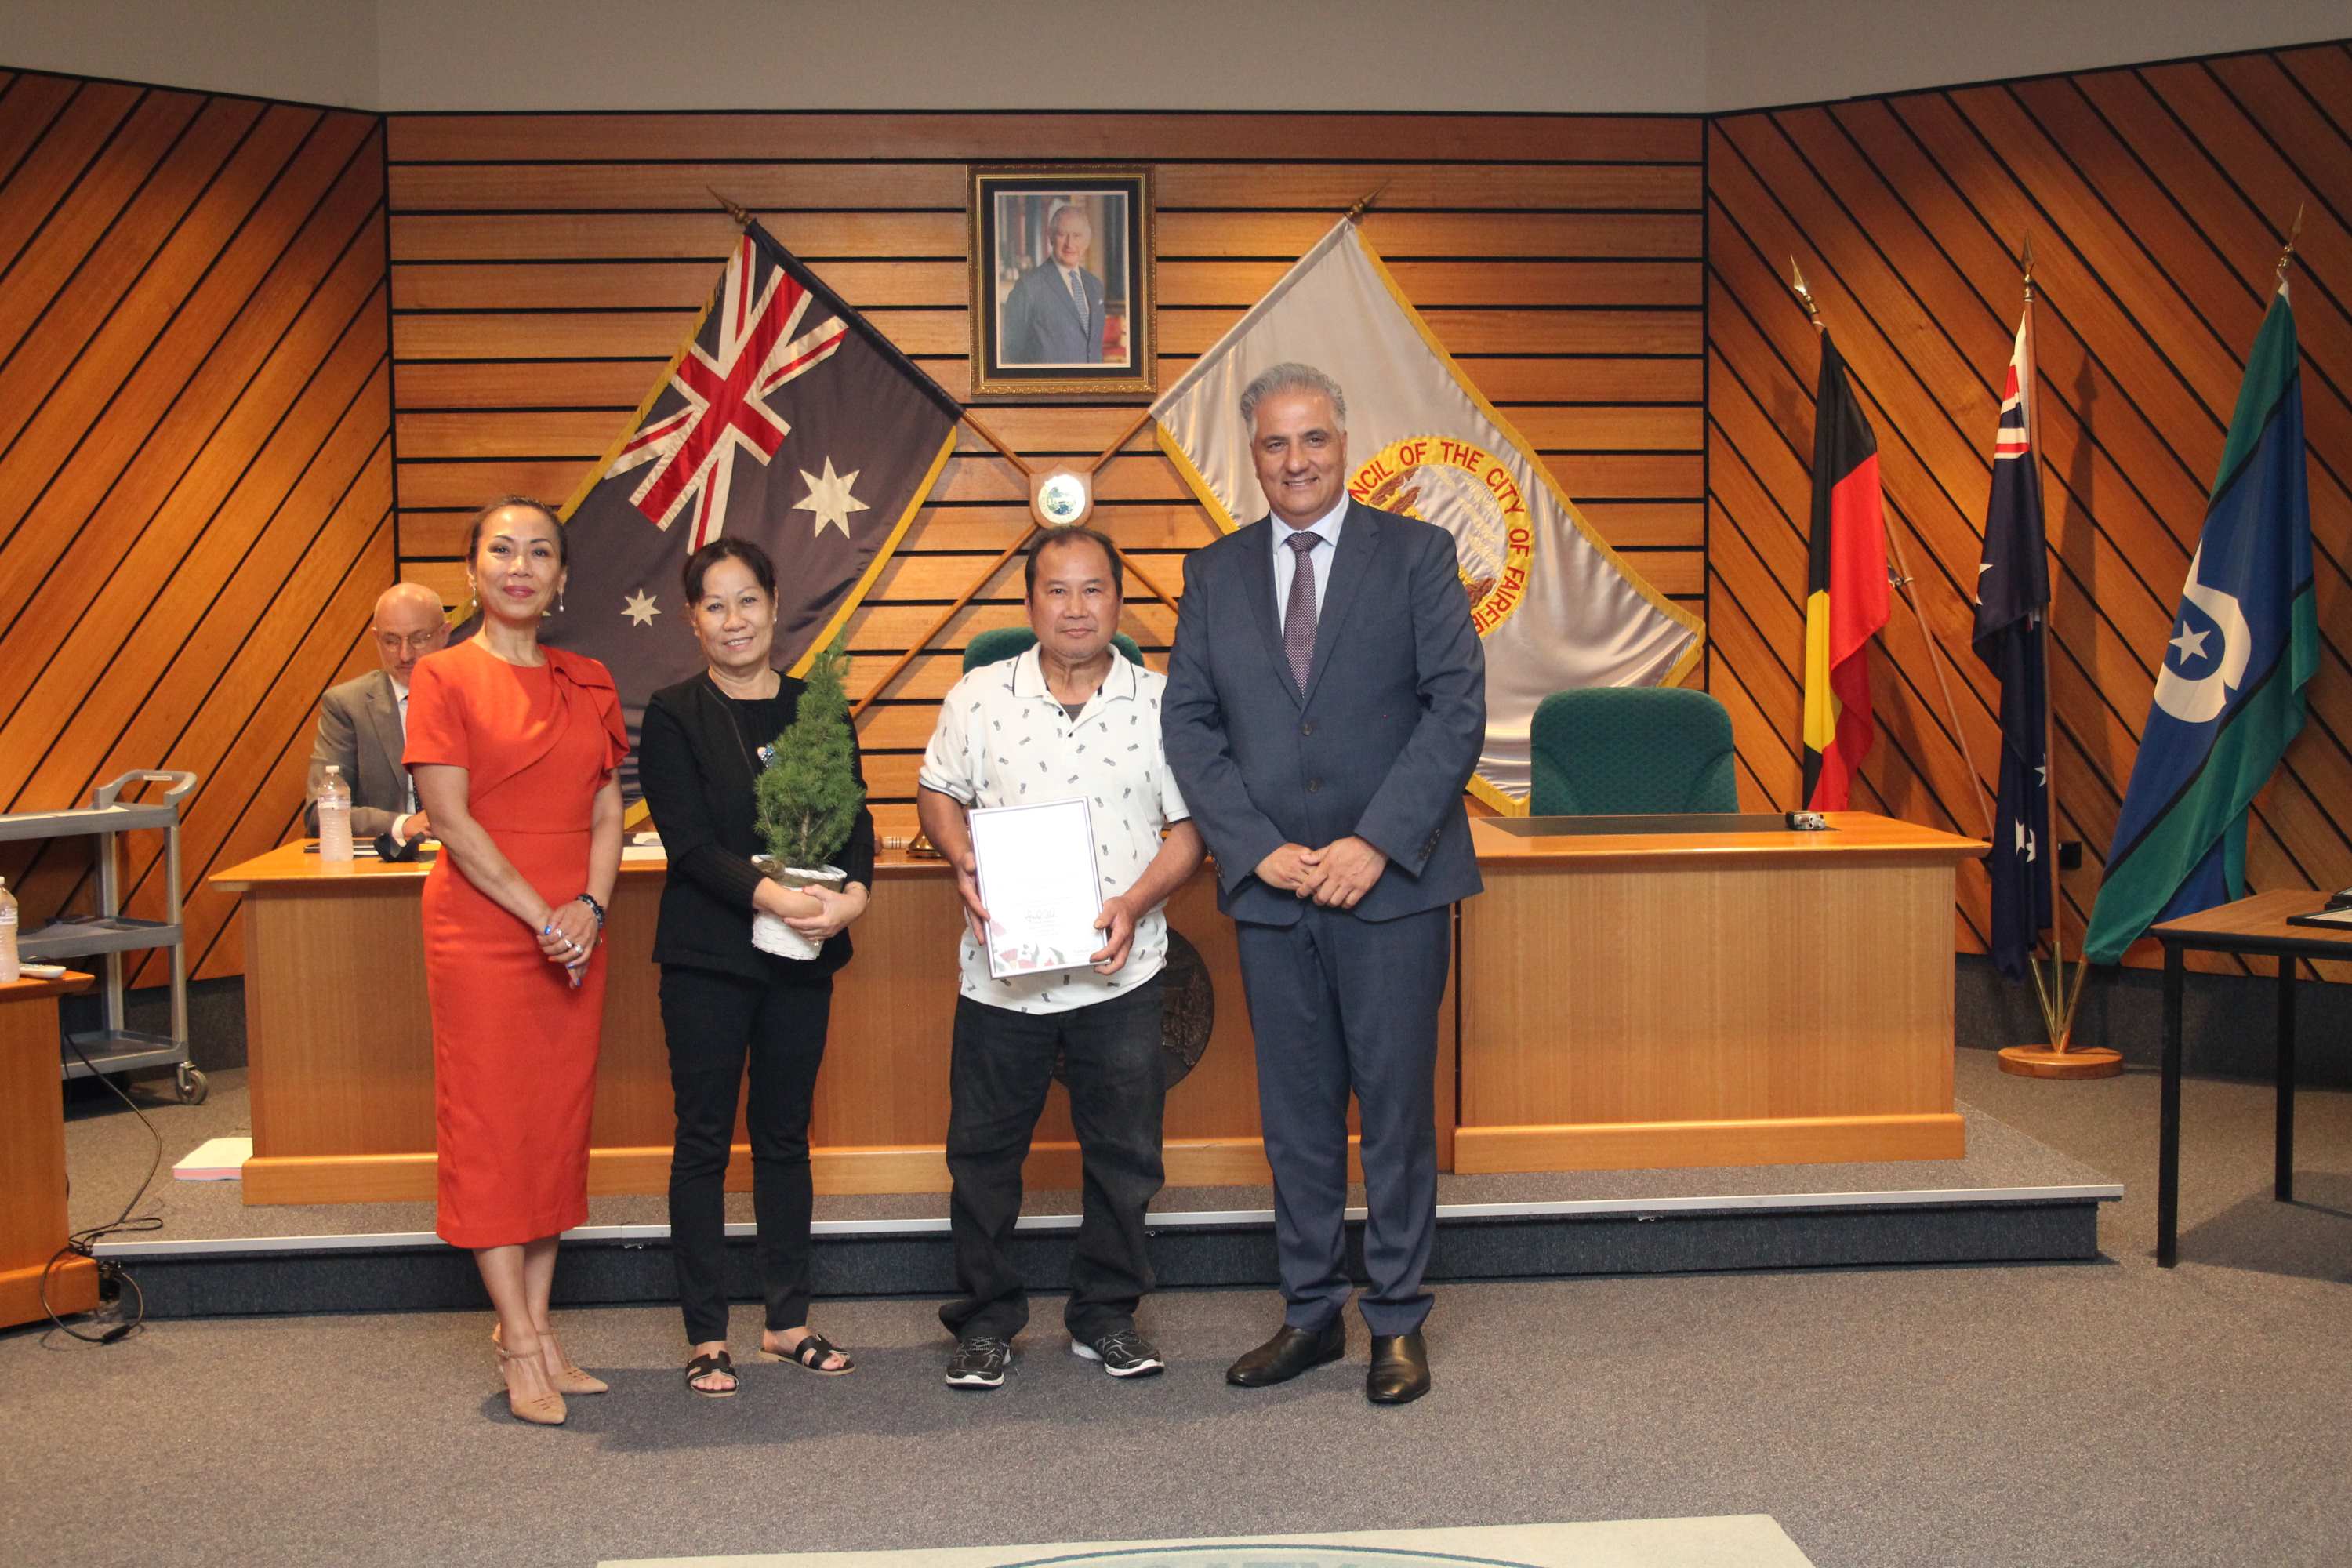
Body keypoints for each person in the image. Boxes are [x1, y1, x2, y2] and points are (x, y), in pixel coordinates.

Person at [1161, 362, 1485, 1406]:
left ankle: (1395, 1319)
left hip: (1391, 889)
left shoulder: (1419, 556)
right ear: (1250, 455)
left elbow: (1455, 711)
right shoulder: (1214, 575)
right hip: (1274, 891)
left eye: (1312, 439)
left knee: (1392, 1110)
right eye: (1273, 443)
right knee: (1296, 1115)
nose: (1295, 460)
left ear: (1343, 443)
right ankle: (1310, 1314)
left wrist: (1377, 843)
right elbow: (1191, 727)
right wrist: (1252, 847)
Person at [916, 526, 1203, 1390]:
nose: (1076, 608)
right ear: (1029, 601)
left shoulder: (1164, 701)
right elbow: (938, 794)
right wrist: (963, 859)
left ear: (1118, 601)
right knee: (982, 1156)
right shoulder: (978, 697)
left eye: (1093, 590)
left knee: (1125, 1154)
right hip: (1002, 977)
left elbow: (1189, 831)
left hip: (1124, 968)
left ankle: (1106, 1315)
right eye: (1056, 590)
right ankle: (985, 1322)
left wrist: (1133, 902)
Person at [405, 496, 627, 1427]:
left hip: (574, 932)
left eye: (540, 551)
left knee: (550, 1128)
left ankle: (533, 1324)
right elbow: (451, 820)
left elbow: (610, 812)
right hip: (488, 932)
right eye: (503, 549)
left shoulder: (589, 677)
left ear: (563, 578)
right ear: (473, 571)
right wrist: (545, 914)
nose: (521, 564)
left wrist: (589, 906)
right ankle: (520, 1340)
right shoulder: (443, 674)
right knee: (494, 1132)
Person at [636, 537, 874, 1399]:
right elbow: (690, 842)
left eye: (747, 600)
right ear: (691, 617)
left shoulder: (818, 706)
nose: (734, 620)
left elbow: (856, 821)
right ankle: (706, 1333)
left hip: (804, 954)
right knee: (702, 1141)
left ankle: (786, 1320)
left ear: (775, 603)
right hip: (709, 955)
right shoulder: (671, 712)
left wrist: (854, 896)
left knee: (784, 1137)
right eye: (714, 604)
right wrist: (772, 896)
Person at [304, 581, 448, 851]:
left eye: (419, 639)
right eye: (391, 641)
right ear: (376, 639)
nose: (405, 654)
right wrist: (403, 824)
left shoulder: (474, 698)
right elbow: (319, 811)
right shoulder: (347, 705)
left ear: (444, 633)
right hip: (383, 863)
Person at [999, 203, 1105, 365]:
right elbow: (1013, 352)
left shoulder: (1095, 285)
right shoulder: (1028, 287)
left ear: (1086, 240)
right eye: (1062, 234)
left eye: (1076, 236)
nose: (1070, 244)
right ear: (1050, 237)